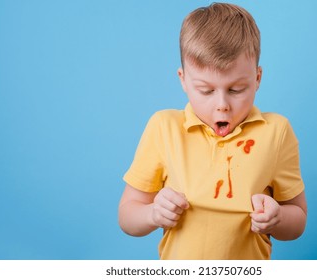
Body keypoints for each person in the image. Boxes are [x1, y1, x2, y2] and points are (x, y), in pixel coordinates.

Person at [118, 2, 307, 259]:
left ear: (258, 78)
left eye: (236, 90)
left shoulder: (277, 132)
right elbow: (127, 216)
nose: (222, 106)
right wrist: (152, 213)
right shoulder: (164, 128)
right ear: (183, 79)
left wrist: (278, 217)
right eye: (206, 91)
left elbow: (298, 220)